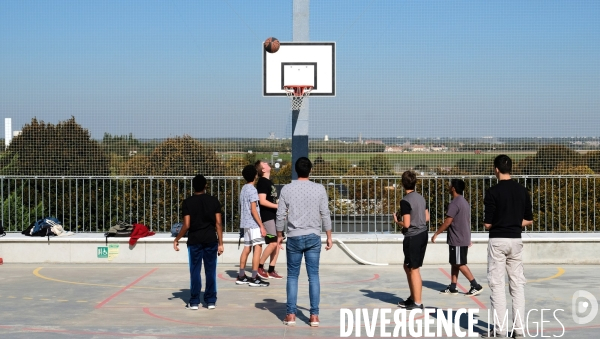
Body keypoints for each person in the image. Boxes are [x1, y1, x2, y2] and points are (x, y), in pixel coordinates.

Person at [276, 157, 333, 327]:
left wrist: (279, 234)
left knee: (293, 276)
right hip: (314, 236)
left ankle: (291, 315)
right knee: (313, 276)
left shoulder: (287, 189)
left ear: (295, 170)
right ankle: (314, 316)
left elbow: (280, 215)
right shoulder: (319, 189)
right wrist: (329, 236)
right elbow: (325, 214)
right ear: (310, 170)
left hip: (294, 236)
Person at [482, 155, 532, 338]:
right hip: (516, 240)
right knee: (517, 285)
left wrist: (499, 222)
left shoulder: (492, 192)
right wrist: (514, 222)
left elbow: (487, 224)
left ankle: (500, 330)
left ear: (496, 169)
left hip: (497, 241)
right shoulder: (522, 191)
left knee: (497, 286)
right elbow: (529, 219)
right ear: (510, 168)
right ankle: (519, 330)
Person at [173, 174, 224, 310]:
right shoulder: (214, 201)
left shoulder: (187, 202)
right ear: (205, 185)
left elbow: (187, 225)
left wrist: (177, 239)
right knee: (210, 271)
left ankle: (194, 301)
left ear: (193, 186)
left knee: (195, 271)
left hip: (194, 240)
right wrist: (220, 243)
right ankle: (211, 300)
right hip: (210, 240)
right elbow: (218, 223)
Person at [431, 179, 483, 296]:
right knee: (455, 262)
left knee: (459, 263)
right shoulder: (464, 202)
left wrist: (436, 233)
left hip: (458, 239)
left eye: (450, 185)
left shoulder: (455, 203)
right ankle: (453, 286)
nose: (449, 187)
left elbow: (448, 222)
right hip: (460, 238)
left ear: (453, 188)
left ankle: (475, 285)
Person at [393, 170, 430, 311]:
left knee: (414, 269)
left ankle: (418, 302)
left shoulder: (405, 201)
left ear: (402, 184)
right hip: (423, 234)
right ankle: (413, 297)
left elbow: (407, 224)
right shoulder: (421, 198)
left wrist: (398, 221)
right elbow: (426, 218)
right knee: (408, 266)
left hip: (413, 236)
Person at [236, 165, 269, 287]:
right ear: (255, 175)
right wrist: (261, 225)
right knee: (258, 248)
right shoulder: (253, 190)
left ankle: (241, 275)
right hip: (253, 223)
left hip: (245, 223)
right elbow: (254, 210)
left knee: (247, 248)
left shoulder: (244, 189)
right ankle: (254, 277)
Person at [254, 160, 283, 280]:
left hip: (274, 216)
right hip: (267, 217)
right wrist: (277, 206)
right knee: (273, 242)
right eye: (265, 163)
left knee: (278, 242)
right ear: (263, 169)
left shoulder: (269, 182)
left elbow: (272, 200)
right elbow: (262, 201)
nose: (267, 163)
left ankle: (271, 270)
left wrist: (280, 209)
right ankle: (260, 266)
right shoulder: (262, 182)